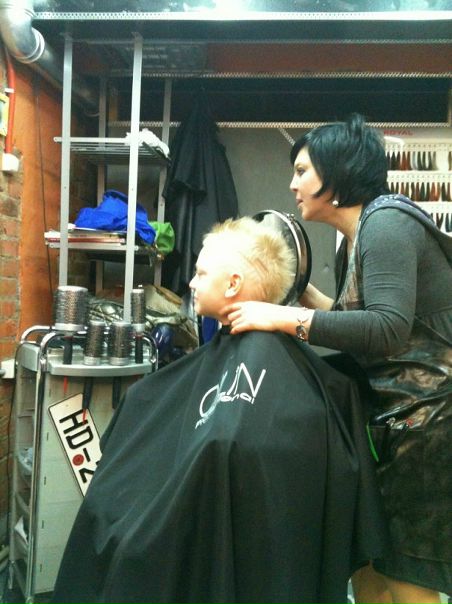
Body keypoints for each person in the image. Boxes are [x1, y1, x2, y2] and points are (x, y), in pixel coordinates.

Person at [50, 217, 386, 604]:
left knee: (124, 545)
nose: (191, 283)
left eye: (201, 272)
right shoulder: (271, 363)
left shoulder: (273, 376)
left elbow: (228, 449)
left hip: (197, 546)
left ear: (232, 285)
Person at [224, 114, 452, 604]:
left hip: (431, 421)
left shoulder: (387, 224)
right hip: (400, 417)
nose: (293, 184)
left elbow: (387, 329)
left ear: (338, 171)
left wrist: (280, 318)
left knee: (405, 571)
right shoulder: (357, 236)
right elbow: (357, 325)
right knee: (371, 560)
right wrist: (299, 289)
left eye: (302, 171)